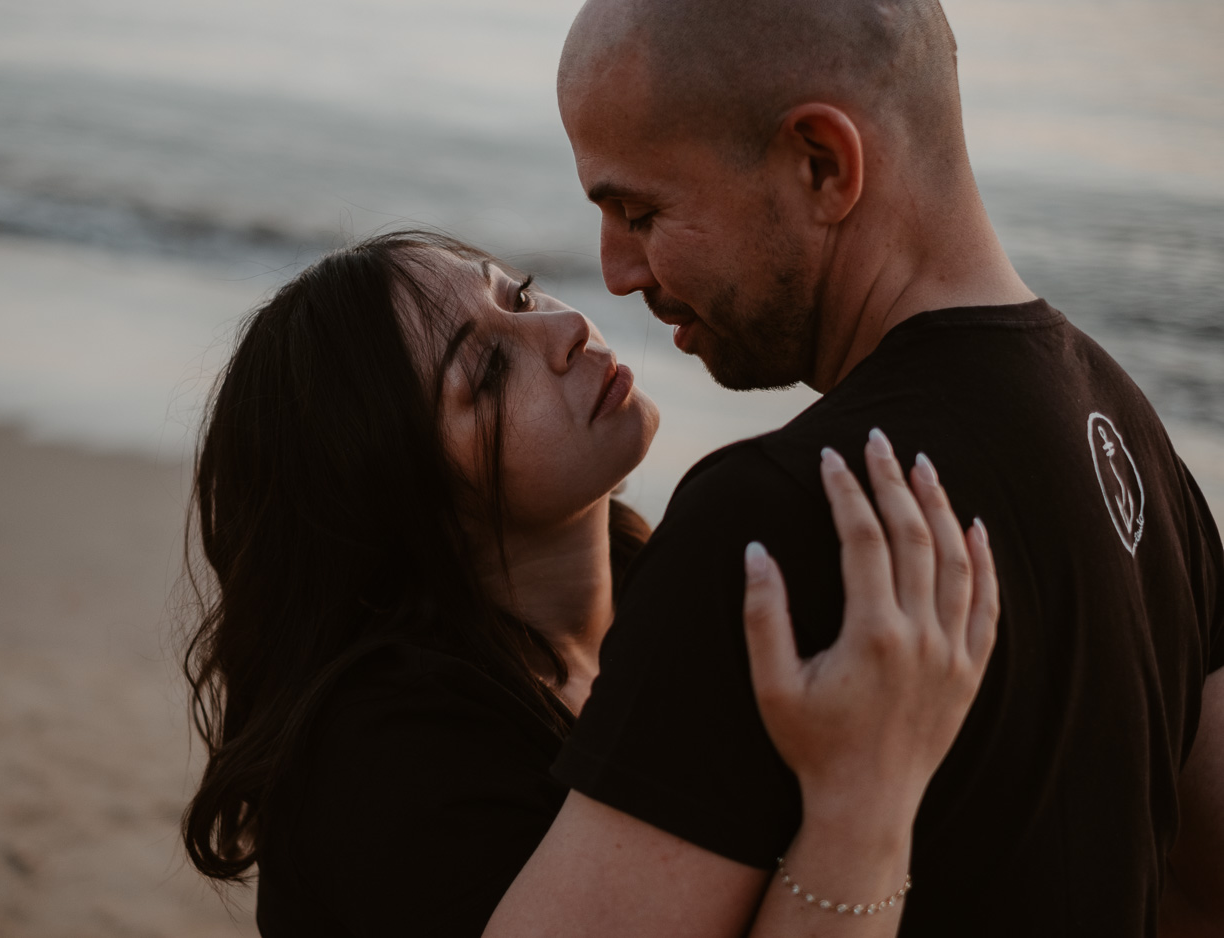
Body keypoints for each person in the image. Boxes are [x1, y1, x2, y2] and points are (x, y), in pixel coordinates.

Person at [479, 1, 1224, 936]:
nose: (617, 269)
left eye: (640, 210)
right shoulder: (1133, 440)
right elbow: (1205, 883)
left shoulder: (778, 524)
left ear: (821, 165)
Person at [179, 230, 998, 936]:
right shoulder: (385, 761)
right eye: (490, 374)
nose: (568, 328)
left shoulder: (671, 588)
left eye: (523, 297)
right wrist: (865, 797)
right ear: (406, 506)